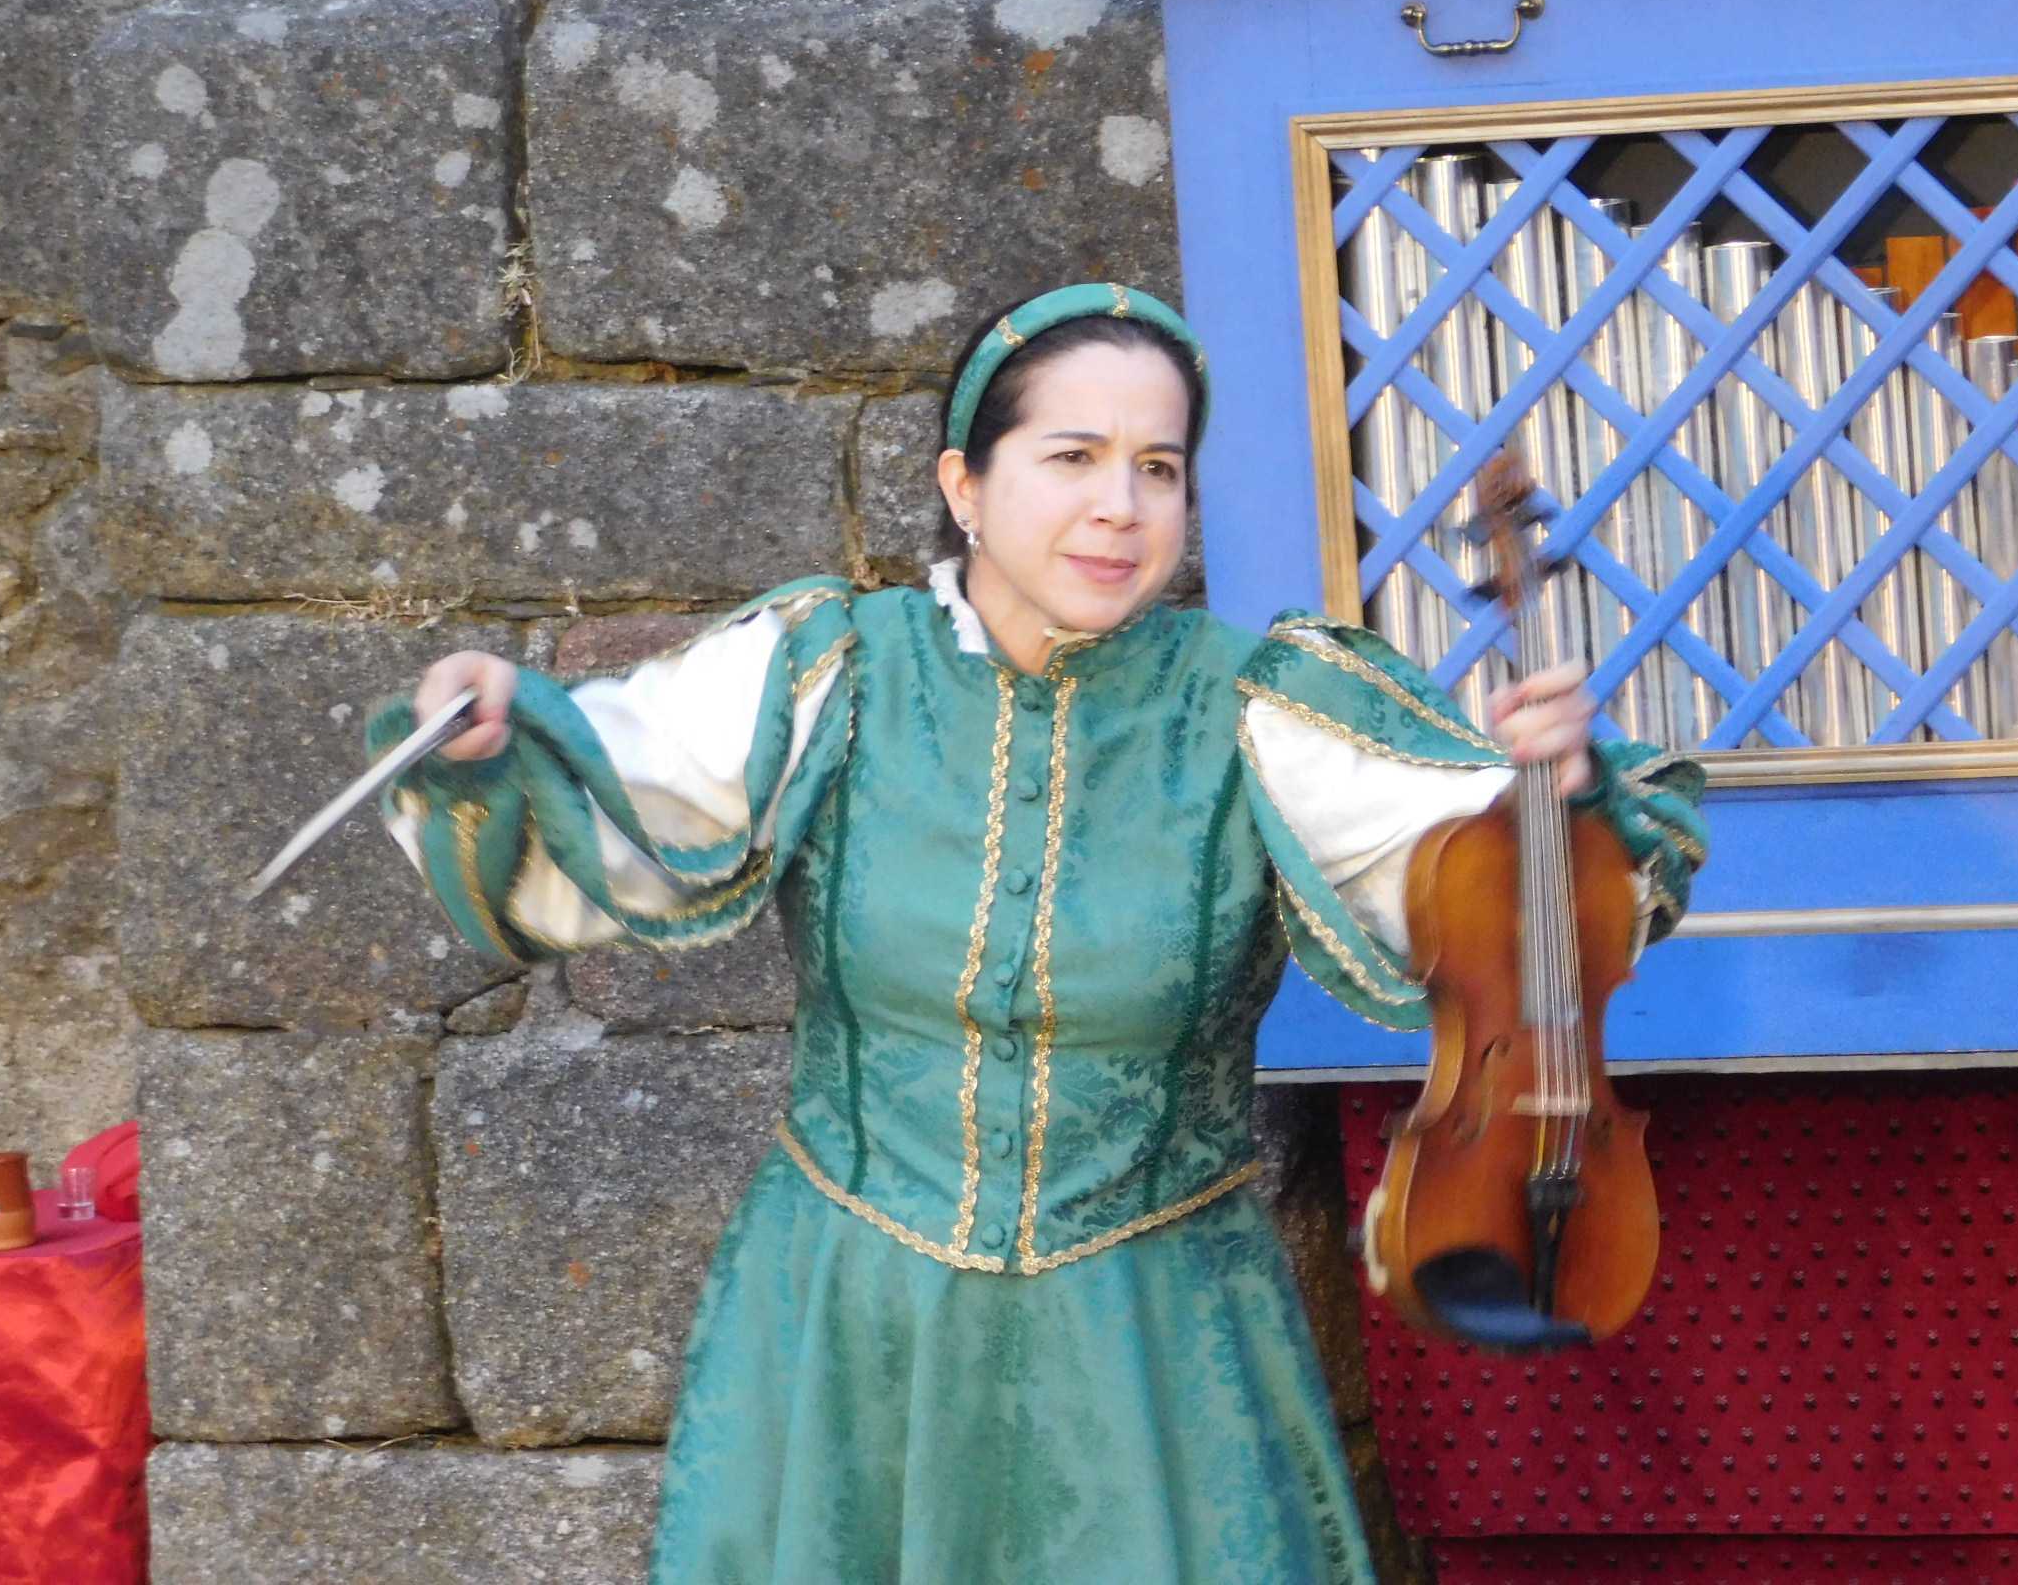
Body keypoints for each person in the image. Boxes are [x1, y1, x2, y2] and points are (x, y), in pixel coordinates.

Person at [370, 283, 1708, 1582]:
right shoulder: (833, 670)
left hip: (1155, 1347)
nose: (1120, 505)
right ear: (965, 485)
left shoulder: (1254, 710)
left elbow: (1487, 880)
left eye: (1158, 468)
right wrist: (499, 736)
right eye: (1073, 456)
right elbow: (607, 784)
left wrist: (1556, 806)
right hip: (853, 1326)